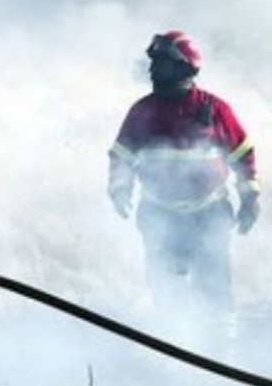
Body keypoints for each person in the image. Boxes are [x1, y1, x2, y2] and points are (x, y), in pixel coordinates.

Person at [106, 30, 260, 331]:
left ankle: (223, 353)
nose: (152, 70)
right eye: (153, 63)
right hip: (159, 214)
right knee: (166, 290)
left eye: (161, 64)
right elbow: (121, 155)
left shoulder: (215, 110)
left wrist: (250, 198)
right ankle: (173, 353)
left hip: (209, 214)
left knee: (214, 287)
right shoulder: (142, 111)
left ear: (185, 67)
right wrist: (119, 187)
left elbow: (242, 154)